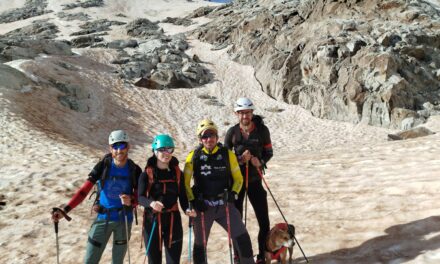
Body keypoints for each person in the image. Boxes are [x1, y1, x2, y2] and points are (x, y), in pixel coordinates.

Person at [51, 130, 142, 264]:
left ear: (128, 146)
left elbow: (141, 196)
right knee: (90, 260)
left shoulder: (135, 169)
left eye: (122, 146)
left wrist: (132, 200)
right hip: (103, 218)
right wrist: (65, 210)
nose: (118, 150)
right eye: (114, 147)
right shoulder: (103, 166)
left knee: (118, 261)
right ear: (110, 148)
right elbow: (83, 191)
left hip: (124, 220)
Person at [184, 119, 255, 264]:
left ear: (217, 136)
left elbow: (238, 179)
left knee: (243, 239)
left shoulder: (227, 154)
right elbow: (184, 184)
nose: (209, 139)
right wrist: (193, 200)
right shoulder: (193, 156)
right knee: (200, 246)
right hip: (203, 207)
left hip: (225, 205)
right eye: (205, 136)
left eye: (212, 135)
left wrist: (233, 193)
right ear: (200, 139)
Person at [224, 98, 273, 264]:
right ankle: (240, 256)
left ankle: (262, 255)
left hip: (255, 180)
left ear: (252, 113)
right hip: (236, 183)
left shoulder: (262, 131)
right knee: (237, 222)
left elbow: (269, 152)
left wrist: (260, 162)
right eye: (242, 112)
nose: (245, 115)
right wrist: (238, 159)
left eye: (248, 112)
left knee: (264, 221)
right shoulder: (232, 133)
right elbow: (224, 157)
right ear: (237, 114)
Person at [138, 134, 196, 264]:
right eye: (162, 149)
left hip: (173, 220)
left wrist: (187, 209)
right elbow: (140, 198)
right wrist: (151, 203)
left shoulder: (177, 173)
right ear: (154, 151)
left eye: (169, 149)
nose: (166, 153)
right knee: (154, 261)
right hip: (152, 220)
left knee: (173, 261)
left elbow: (182, 197)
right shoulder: (146, 174)